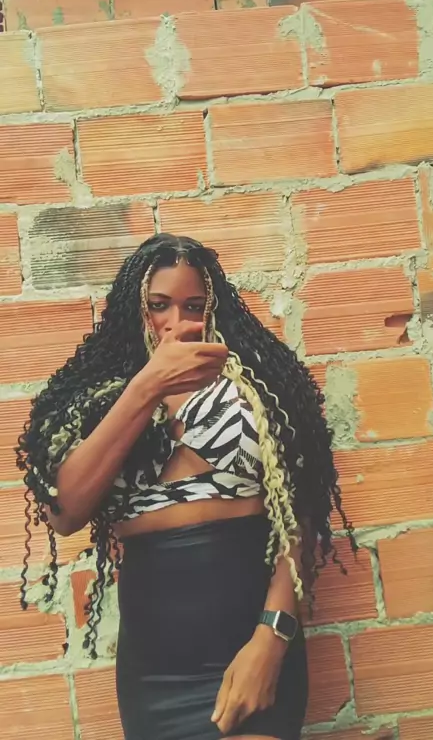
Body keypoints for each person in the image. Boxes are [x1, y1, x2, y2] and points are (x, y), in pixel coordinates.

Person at [17, 233, 354, 740]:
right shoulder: (97, 400)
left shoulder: (258, 388)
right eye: (159, 305)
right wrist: (148, 385)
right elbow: (65, 512)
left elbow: (297, 517)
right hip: (154, 671)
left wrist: (273, 637)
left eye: (194, 305)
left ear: (213, 308)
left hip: (252, 641)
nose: (177, 321)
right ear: (135, 309)